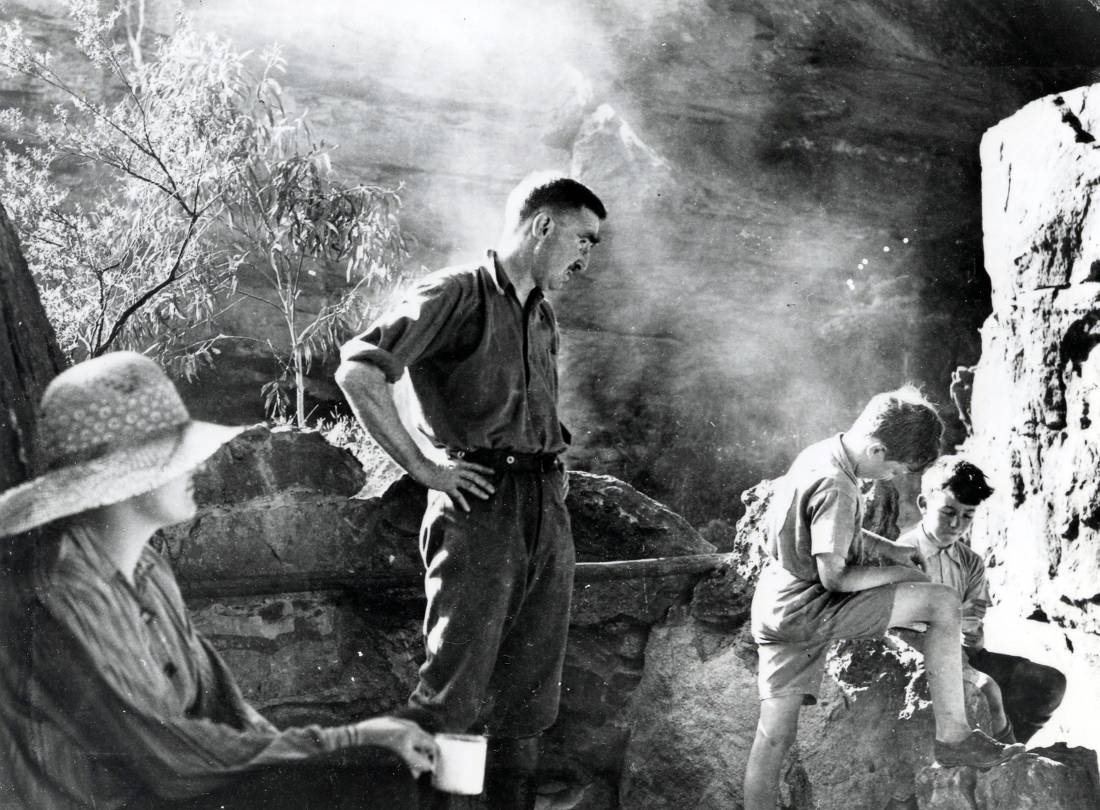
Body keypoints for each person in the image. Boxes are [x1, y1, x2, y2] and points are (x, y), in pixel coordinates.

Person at [0, 351, 438, 810]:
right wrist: (349, 741)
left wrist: (349, 751)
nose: (195, 467)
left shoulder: (148, 572)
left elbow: (231, 717)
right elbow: (165, 759)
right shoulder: (61, 590)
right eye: (174, 456)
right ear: (125, 477)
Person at [335, 171, 605, 809]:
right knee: (453, 693)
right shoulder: (457, 294)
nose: (587, 258)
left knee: (529, 693)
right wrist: (426, 467)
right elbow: (359, 370)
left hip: (543, 509)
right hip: (478, 506)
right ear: (543, 225)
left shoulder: (541, 317)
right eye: (584, 239)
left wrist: (552, 482)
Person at [743, 386, 1025, 810]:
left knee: (773, 735)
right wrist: (900, 571)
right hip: (812, 605)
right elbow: (834, 577)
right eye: (895, 470)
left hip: (776, 604)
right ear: (876, 450)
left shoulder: (820, 455)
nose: (893, 478)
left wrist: (888, 548)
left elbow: (829, 531)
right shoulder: (840, 486)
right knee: (942, 602)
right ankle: (954, 737)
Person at [898, 455, 1066, 744]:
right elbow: (895, 628)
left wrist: (973, 632)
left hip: (962, 654)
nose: (956, 524)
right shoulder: (901, 554)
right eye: (948, 511)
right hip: (918, 657)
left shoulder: (970, 562)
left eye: (967, 515)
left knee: (1048, 682)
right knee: (987, 689)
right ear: (924, 504)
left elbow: (973, 634)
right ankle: (1005, 753)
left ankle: (1007, 743)